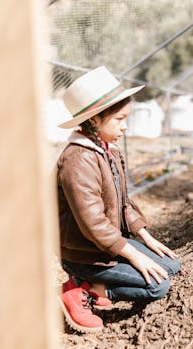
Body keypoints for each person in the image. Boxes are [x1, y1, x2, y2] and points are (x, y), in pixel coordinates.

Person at [56, 66, 180, 333]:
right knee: (158, 285)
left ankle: (90, 285)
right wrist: (135, 256)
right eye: (119, 119)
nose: (125, 126)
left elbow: (122, 203)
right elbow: (94, 225)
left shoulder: (106, 150)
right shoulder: (78, 160)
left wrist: (146, 237)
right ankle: (84, 291)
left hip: (104, 248)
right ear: (94, 120)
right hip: (86, 255)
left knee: (171, 265)